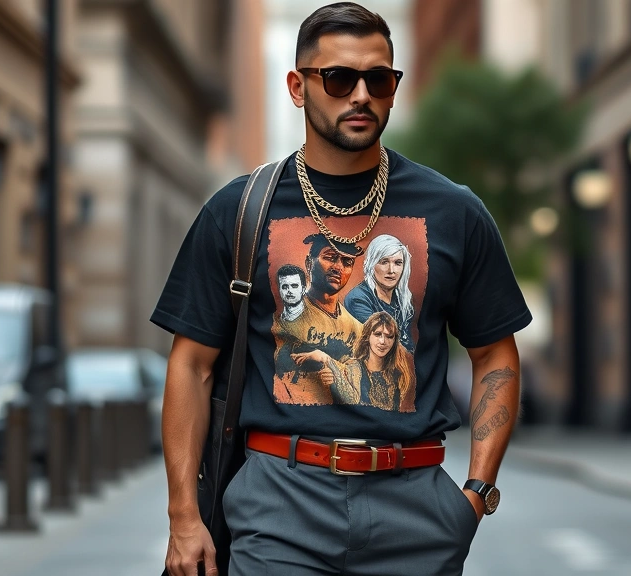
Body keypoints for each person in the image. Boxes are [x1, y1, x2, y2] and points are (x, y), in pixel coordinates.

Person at [152, 4, 532, 575]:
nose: (361, 95)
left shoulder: (454, 212)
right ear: (298, 86)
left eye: (379, 79)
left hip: (416, 506)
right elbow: (191, 366)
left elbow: (494, 352)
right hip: (280, 503)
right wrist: (185, 516)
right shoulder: (238, 211)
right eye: (338, 78)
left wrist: (475, 494)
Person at [271, 234, 364, 405]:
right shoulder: (288, 315)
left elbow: (362, 379)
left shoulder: (357, 328)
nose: (338, 267)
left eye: (347, 262)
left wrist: (328, 361)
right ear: (309, 263)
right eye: (330, 257)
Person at [292, 311, 414, 411]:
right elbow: (351, 399)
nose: (383, 341)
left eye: (389, 336)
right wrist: (324, 357)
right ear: (368, 337)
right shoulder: (355, 367)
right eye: (378, 334)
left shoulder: (398, 374)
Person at [345, 234, 416, 352]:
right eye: (384, 262)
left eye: (398, 263)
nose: (391, 270)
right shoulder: (357, 299)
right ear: (372, 264)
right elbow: (382, 341)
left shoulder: (403, 299)